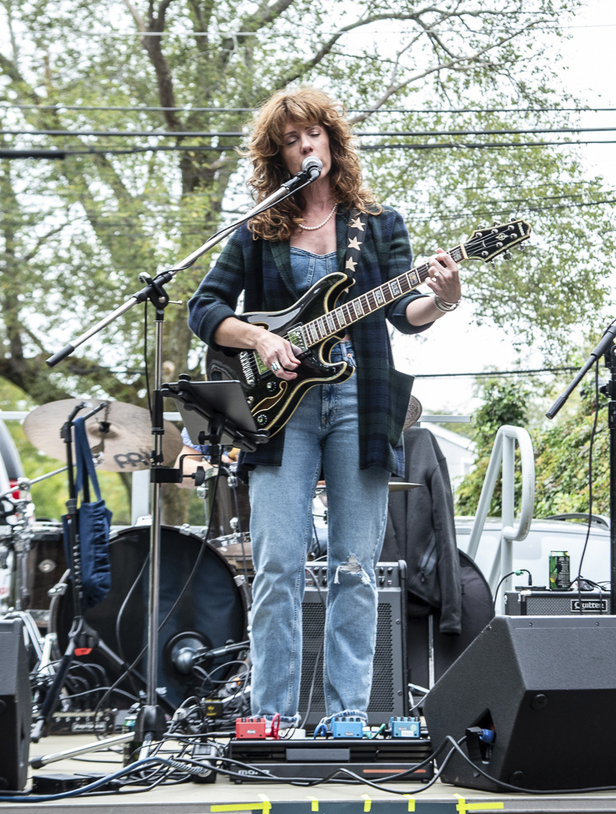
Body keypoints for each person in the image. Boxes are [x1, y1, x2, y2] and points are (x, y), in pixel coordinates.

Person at [188, 87, 460, 728]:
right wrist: (258, 337)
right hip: (279, 409)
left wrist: (444, 297)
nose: (305, 145)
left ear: (333, 140)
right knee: (278, 562)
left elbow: (404, 313)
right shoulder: (259, 226)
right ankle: (272, 715)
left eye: (313, 133)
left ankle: (347, 715)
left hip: (358, 401)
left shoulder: (380, 223)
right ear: (278, 155)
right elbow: (206, 309)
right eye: (290, 139)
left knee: (355, 567)